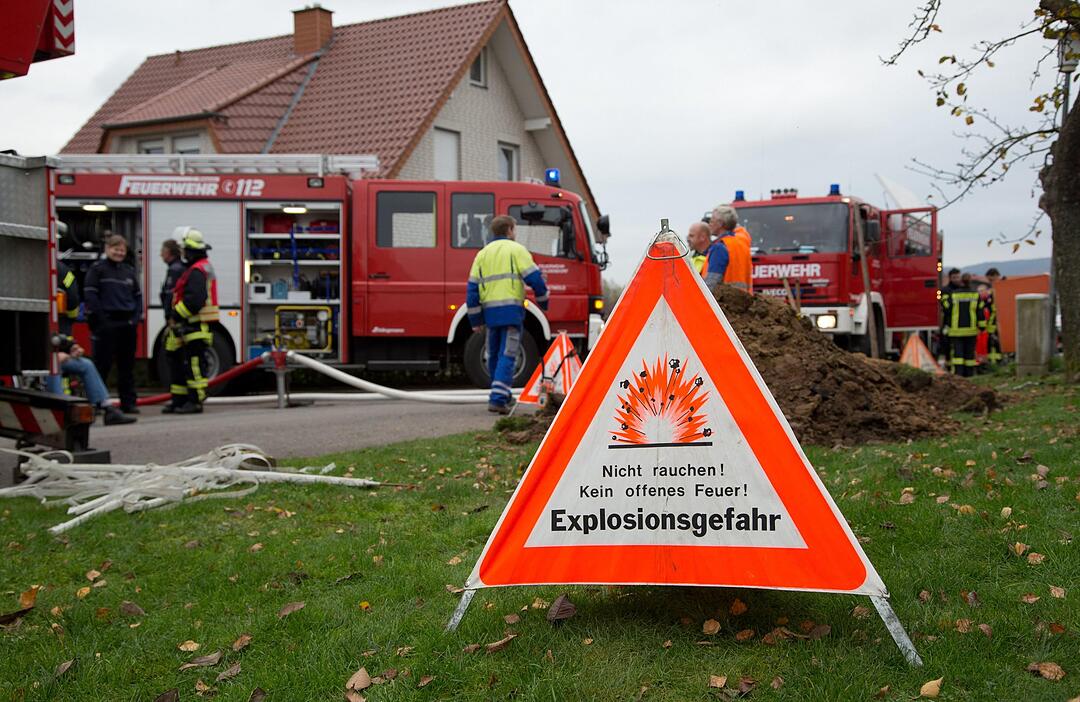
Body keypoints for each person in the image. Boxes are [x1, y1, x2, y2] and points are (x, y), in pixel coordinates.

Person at [466, 215, 548, 414]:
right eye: (514, 229)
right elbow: (535, 279)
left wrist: (475, 319)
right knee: (508, 355)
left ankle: (502, 394)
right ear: (510, 230)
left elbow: (472, 290)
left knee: (493, 355)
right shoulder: (516, 250)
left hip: (490, 315)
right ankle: (498, 399)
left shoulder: (482, 254)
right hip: (511, 313)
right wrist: (544, 301)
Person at [83, 235, 142, 415]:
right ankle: (97, 403)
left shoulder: (128, 271)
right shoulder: (97, 270)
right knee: (102, 365)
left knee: (127, 367)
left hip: (127, 324)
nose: (119, 253)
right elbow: (90, 295)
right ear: (107, 249)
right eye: (116, 249)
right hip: (106, 323)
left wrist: (134, 319)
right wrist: (102, 320)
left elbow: (138, 297)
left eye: (122, 250)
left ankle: (128, 403)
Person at [169, 228, 219, 414]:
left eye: (184, 250)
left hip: (195, 325)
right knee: (182, 363)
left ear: (190, 251)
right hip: (191, 325)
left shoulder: (197, 270)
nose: (182, 254)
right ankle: (180, 400)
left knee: (194, 365)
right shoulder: (199, 267)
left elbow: (195, 301)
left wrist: (176, 314)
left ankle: (195, 401)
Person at [45, 335, 136, 425]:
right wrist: (52, 355)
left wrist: (72, 348)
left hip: (55, 356)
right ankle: (60, 409)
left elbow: (54, 336)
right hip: (43, 360)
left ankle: (108, 408)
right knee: (54, 365)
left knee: (86, 364)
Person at [159, 238, 189, 412]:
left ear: (169, 252)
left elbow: (171, 297)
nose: (160, 255)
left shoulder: (175, 270)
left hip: (175, 324)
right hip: (177, 323)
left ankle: (179, 400)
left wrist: (171, 317)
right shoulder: (179, 268)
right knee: (176, 361)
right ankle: (178, 399)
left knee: (176, 362)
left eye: (162, 251)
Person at [703, 205, 753, 294]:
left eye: (712, 220)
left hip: (723, 300)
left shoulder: (719, 248)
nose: (709, 223)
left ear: (720, 224)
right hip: (742, 299)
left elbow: (712, 282)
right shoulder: (742, 245)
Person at [941, 273, 980, 377]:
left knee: (958, 353)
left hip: (956, 330)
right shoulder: (975, 294)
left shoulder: (953, 294)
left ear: (961, 281)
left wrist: (943, 300)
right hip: (971, 330)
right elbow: (980, 311)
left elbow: (947, 309)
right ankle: (969, 374)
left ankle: (959, 374)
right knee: (969, 353)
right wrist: (982, 326)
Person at [938, 268, 962, 370]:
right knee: (946, 344)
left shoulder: (963, 289)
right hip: (948, 322)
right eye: (954, 277)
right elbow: (946, 306)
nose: (956, 279)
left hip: (962, 322)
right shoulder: (945, 290)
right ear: (950, 278)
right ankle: (948, 366)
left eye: (958, 277)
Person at [982, 267, 1002, 365]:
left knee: (998, 341)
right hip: (991, 320)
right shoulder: (990, 290)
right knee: (990, 341)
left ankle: (999, 361)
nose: (990, 282)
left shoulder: (1002, 288)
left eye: (991, 279)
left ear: (996, 276)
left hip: (999, 320)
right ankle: (992, 361)